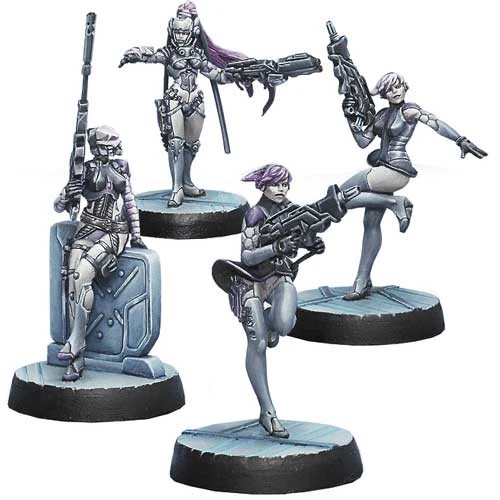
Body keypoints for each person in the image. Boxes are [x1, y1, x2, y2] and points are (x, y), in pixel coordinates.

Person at [340, 72, 487, 300]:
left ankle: (395, 202)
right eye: (389, 89)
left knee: (341, 196)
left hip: (395, 171)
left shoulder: (408, 111)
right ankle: (362, 280)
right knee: (370, 223)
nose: (395, 91)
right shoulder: (381, 115)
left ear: (405, 87)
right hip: (382, 170)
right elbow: (363, 142)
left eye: (398, 86)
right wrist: (350, 116)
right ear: (383, 93)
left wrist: (460, 140)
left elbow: (435, 123)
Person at [214, 165, 325, 438]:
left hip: (278, 275)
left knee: (285, 323)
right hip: (249, 279)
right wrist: (275, 247)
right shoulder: (254, 215)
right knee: (259, 343)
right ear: (263, 186)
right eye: (276, 184)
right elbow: (248, 256)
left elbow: (303, 237)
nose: (281, 189)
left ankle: (267, 325)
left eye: (285, 184)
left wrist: (312, 244)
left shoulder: (293, 210)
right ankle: (268, 411)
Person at [119, 1, 246, 208]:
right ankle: (177, 187)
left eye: (183, 32)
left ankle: (186, 182)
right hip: (175, 100)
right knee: (175, 145)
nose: (179, 36)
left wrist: (236, 75)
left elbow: (216, 74)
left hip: (195, 100)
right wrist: (136, 54)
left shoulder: (198, 55)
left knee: (191, 145)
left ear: (193, 32)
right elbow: (152, 56)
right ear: (171, 30)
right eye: (176, 32)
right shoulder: (169, 53)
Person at [54, 125, 146, 381]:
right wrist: (68, 193)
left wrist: (136, 235)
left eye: (112, 145)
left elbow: (130, 203)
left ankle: (76, 341)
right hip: (87, 229)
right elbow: (59, 205)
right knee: (72, 284)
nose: (111, 150)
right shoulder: (84, 170)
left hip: (115, 232)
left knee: (83, 273)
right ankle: (77, 358)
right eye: (106, 145)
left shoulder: (121, 168)